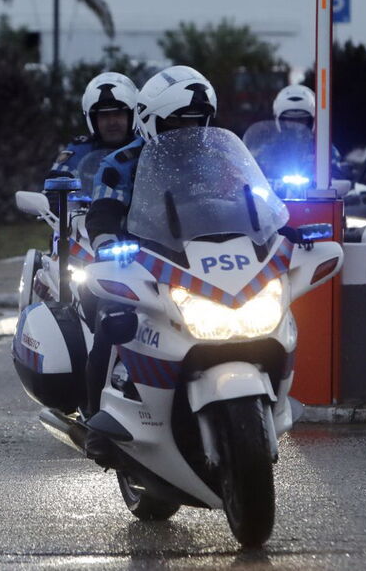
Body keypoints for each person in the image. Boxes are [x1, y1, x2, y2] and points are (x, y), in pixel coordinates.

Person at [82, 65, 217, 464]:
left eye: (195, 122)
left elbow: (249, 200)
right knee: (111, 323)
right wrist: (107, 243)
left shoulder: (215, 160)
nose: (187, 130)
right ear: (151, 121)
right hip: (143, 265)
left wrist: (277, 228)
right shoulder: (121, 163)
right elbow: (102, 213)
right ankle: (96, 421)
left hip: (204, 265)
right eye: (177, 122)